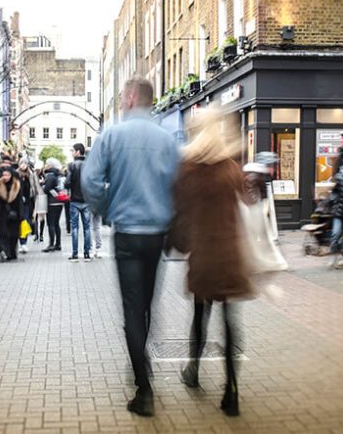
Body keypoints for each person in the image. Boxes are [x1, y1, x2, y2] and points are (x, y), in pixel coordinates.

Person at [82, 77, 180, 417]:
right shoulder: (168, 139)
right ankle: (143, 363)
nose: (122, 101)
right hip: (157, 234)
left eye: (123, 95)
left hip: (126, 233)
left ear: (133, 97)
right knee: (148, 303)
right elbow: (178, 186)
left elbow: (90, 181)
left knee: (131, 308)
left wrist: (107, 208)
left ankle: (144, 388)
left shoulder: (111, 135)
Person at [168, 107, 252, 417]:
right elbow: (246, 204)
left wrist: (178, 244)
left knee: (200, 317)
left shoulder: (187, 169)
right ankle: (231, 390)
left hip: (203, 255)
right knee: (230, 322)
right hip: (231, 256)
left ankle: (193, 370)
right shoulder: (231, 168)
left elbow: (179, 215)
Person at [65, 143, 92, 261]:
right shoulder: (90, 165)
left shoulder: (71, 165)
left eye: (73, 151)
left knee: (75, 228)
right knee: (87, 228)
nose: (72, 153)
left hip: (75, 201)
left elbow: (67, 182)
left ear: (78, 152)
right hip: (87, 200)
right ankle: (87, 254)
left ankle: (75, 254)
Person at [0, 166, 24, 261]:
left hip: (14, 214)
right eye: (4, 175)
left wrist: (20, 214)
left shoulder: (16, 186)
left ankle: (12, 252)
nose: (5, 177)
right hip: (1, 213)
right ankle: (4, 251)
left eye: (7, 175)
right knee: (2, 233)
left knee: (13, 235)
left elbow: (20, 201)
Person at [41, 158, 64, 252]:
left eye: (46, 163)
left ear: (50, 165)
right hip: (59, 201)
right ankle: (58, 244)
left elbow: (47, 189)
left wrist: (43, 186)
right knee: (56, 223)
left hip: (51, 202)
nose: (45, 165)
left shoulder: (50, 175)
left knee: (51, 223)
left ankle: (51, 244)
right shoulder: (58, 174)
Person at [17, 158, 39, 253]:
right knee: (19, 222)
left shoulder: (31, 175)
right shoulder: (16, 174)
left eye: (25, 163)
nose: (23, 165)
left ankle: (23, 243)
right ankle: (20, 242)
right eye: (22, 163)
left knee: (25, 222)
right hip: (18, 202)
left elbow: (35, 187)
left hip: (28, 202)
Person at [34, 166, 48, 243]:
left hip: (42, 198)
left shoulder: (44, 176)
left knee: (42, 218)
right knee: (35, 217)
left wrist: (43, 184)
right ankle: (36, 234)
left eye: (39, 169)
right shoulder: (33, 176)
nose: (38, 171)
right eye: (37, 169)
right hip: (35, 198)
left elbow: (47, 186)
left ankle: (41, 234)